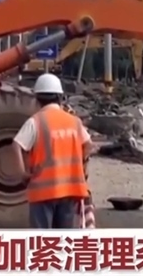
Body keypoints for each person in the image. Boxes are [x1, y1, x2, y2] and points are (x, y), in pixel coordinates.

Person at [12, 73, 93, 229]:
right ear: (60, 97)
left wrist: (22, 173)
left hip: (42, 192)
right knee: (65, 238)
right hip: (70, 189)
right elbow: (88, 144)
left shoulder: (35, 122)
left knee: (42, 239)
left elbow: (16, 145)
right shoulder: (74, 122)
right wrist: (83, 168)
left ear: (37, 99)